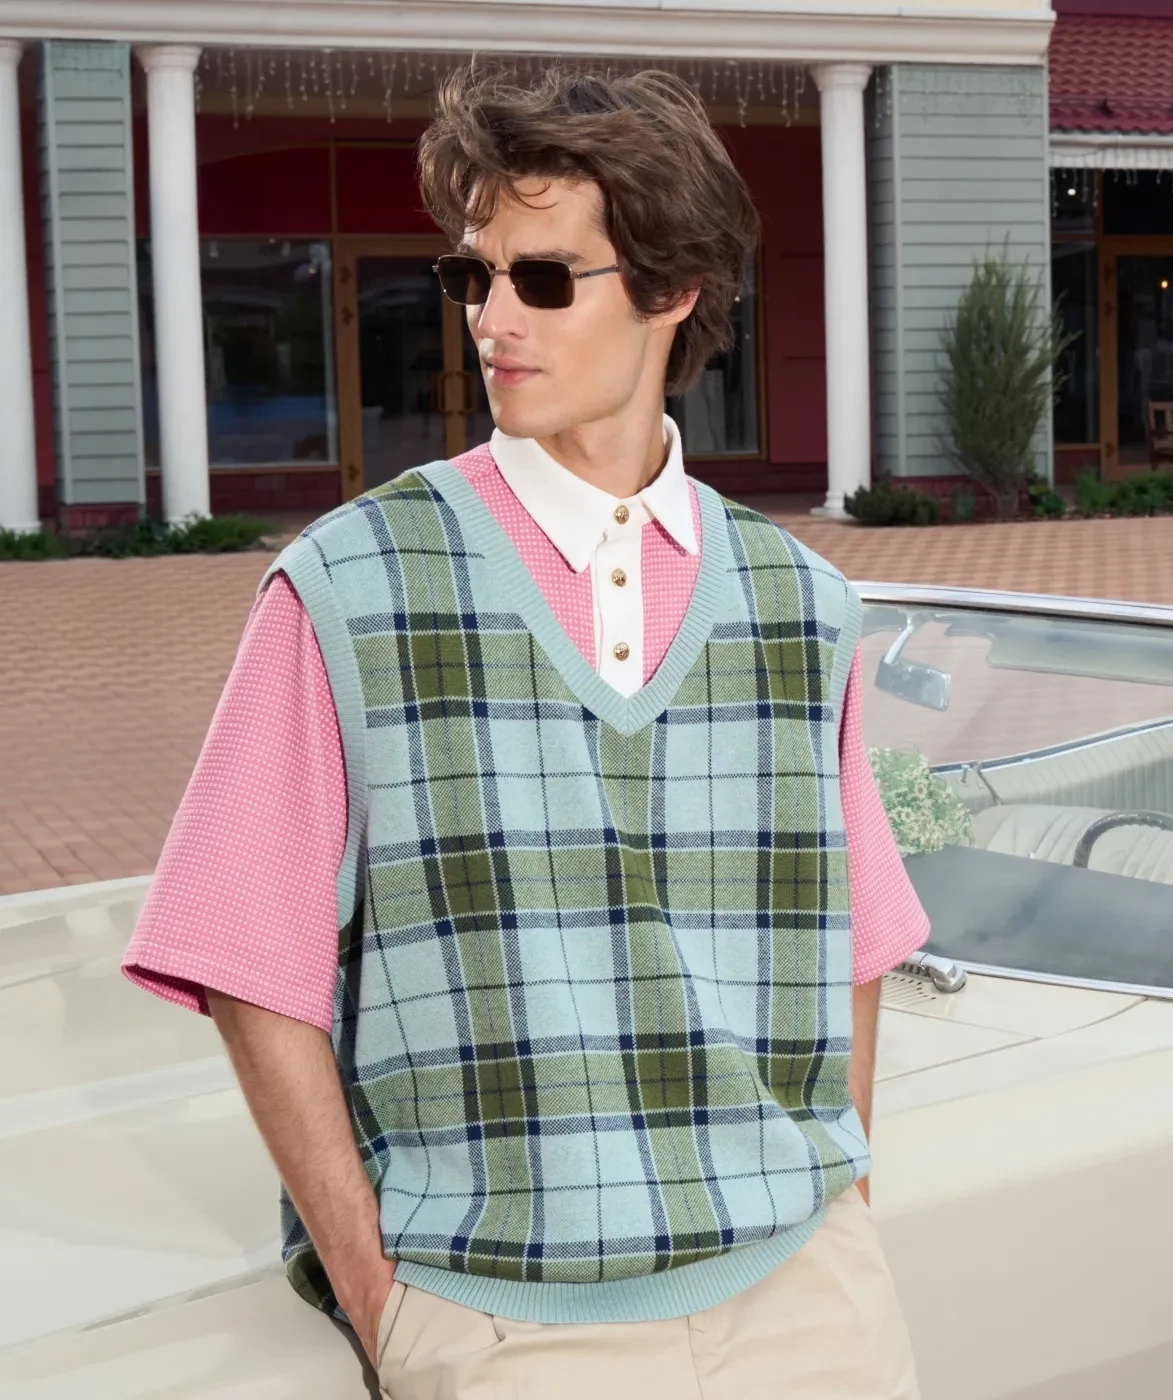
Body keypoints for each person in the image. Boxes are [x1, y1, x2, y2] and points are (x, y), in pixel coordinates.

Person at [121, 64, 928, 1399]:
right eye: (472, 276)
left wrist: (836, 1207)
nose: (492, 320)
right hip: (505, 1330)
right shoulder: (349, 585)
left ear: (672, 291)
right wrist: (383, 1297)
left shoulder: (803, 604)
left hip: (810, 1304)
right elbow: (245, 964)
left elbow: (855, 942)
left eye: (543, 280)